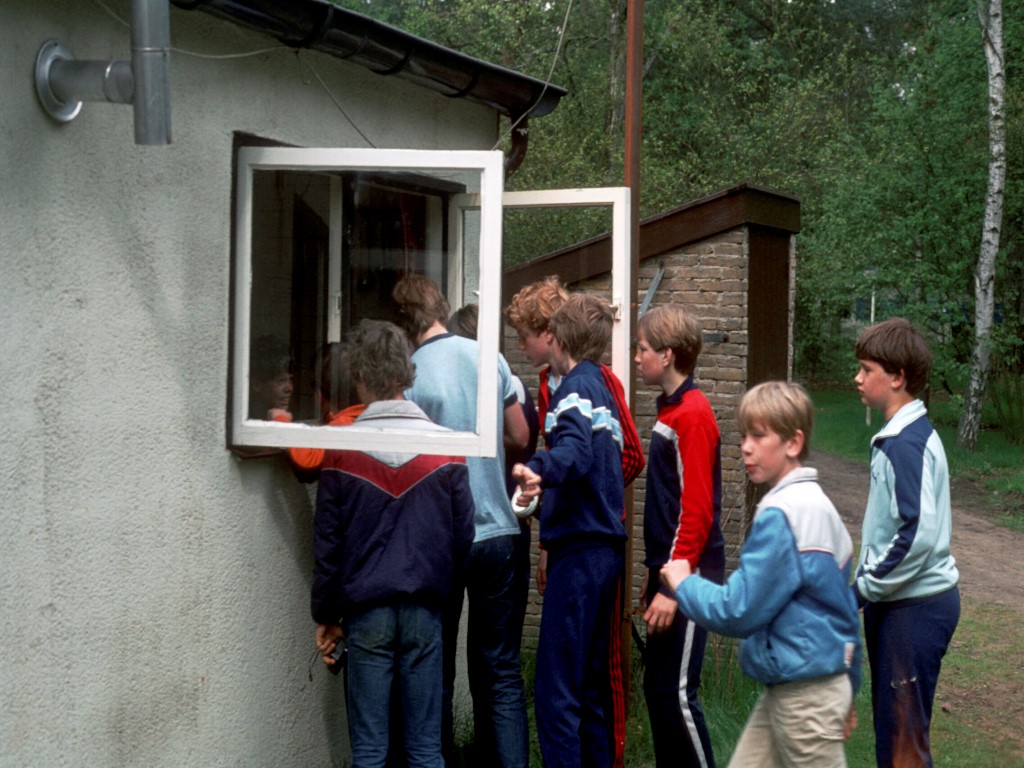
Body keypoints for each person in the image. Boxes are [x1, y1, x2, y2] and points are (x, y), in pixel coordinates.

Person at [661, 381, 862, 768]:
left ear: (793, 442)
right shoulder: (822, 508)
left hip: (806, 698)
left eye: (758, 435)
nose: (746, 447)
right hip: (801, 688)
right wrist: (848, 685)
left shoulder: (782, 514)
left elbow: (738, 609)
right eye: (743, 437)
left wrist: (684, 583)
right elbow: (845, 612)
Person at [311, 319, 475, 768]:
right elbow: (464, 535)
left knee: (369, 751)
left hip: (366, 611)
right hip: (426, 607)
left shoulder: (341, 449)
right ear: (408, 371)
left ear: (358, 375)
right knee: (425, 749)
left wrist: (325, 614)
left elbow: (328, 542)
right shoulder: (448, 448)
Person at [392, 276, 531, 768]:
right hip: (498, 530)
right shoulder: (488, 356)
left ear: (404, 324)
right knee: (501, 670)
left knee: (436, 668)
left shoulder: (410, 374)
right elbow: (520, 434)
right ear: (441, 308)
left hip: (442, 537)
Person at [504, 277, 643, 768]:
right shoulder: (598, 387)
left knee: (556, 690)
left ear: (557, 337)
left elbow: (577, 451)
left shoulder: (574, 389)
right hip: (603, 547)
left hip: (580, 551)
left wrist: (538, 469)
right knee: (589, 686)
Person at [852, 317, 960, 768]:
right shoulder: (904, 436)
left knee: (903, 747)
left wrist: (863, 588)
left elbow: (916, 536)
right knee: (894, 737)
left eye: (866, 369)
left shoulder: (905, 444)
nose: (857, 378)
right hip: (900, 605)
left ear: (897, 377)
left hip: (914, 609)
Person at [634, 305, 725, 767]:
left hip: (690, 578)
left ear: (667, 355)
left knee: (677, 694)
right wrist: (655, 576)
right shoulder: (670, 409)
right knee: (658, 688)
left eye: (642, 349)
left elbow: (697, 510)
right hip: (669, 574)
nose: (637, 358)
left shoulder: (693, 414)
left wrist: (673, 588)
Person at [269, 341, 366, 481]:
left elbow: (308, 464)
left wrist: (281, 421)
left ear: (319, 395)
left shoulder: (343, 425)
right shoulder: (364, 417)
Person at [249, 334, 294, 419]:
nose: (289, 388)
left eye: (291, 380)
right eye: (281, 381)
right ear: (257, 384)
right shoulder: (245, 418)